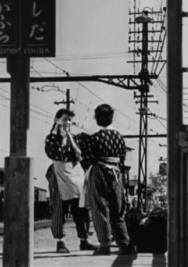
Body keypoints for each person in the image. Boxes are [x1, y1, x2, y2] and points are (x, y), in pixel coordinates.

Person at [79, 104, 136, 255]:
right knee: (118, 211)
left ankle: (105, 245)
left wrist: (83, 143)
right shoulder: (119, 137)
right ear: (112, 117)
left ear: (97, 119)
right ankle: (124, 244)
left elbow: (87, 160)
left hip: (99, 172)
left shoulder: (94, 138)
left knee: (100, 209)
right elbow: (122, 158)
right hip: (116, 173)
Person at [45, 108, 98, 253]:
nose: (67, 122)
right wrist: (62, 138)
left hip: (76, 174)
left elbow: (80, 156)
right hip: (59, 174)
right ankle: (59, 242)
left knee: (81, 208)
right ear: (56, 120)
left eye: (69, 120)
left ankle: (84, 240)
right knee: (59, 209)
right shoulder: (51, 138)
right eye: (64, 119)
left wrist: (70, 139)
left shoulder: (73, 137)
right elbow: (58, 155)